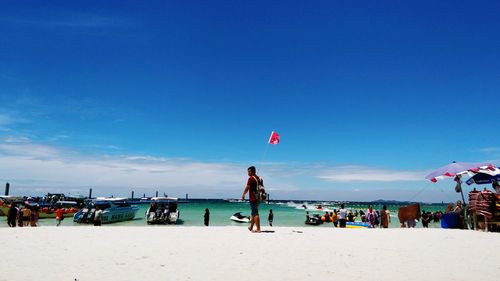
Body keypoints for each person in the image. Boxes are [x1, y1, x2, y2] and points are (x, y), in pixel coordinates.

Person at [241, 166, 261, 233]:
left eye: (249, 171)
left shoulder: (251, 178)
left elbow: (247, 187)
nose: (248, 173)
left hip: (253, 198)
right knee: (253, 213)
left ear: (253, 171)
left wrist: (243, 194)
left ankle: (258, 229)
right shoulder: (258, 178)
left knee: (255, 213)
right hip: (258, 198)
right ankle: (251, 227)